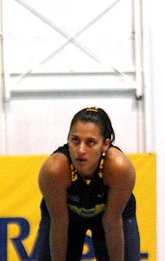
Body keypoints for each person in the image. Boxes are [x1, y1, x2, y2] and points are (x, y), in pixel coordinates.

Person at [35, 107, 141, 261]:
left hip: (112, 218)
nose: (81, 150)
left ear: (106, 144)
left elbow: (112, 223)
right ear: (68, 139)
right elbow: (59, 224)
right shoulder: (55, 170)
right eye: (75, 140)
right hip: (66, 220)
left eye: (90, 142)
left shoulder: (119, 167)